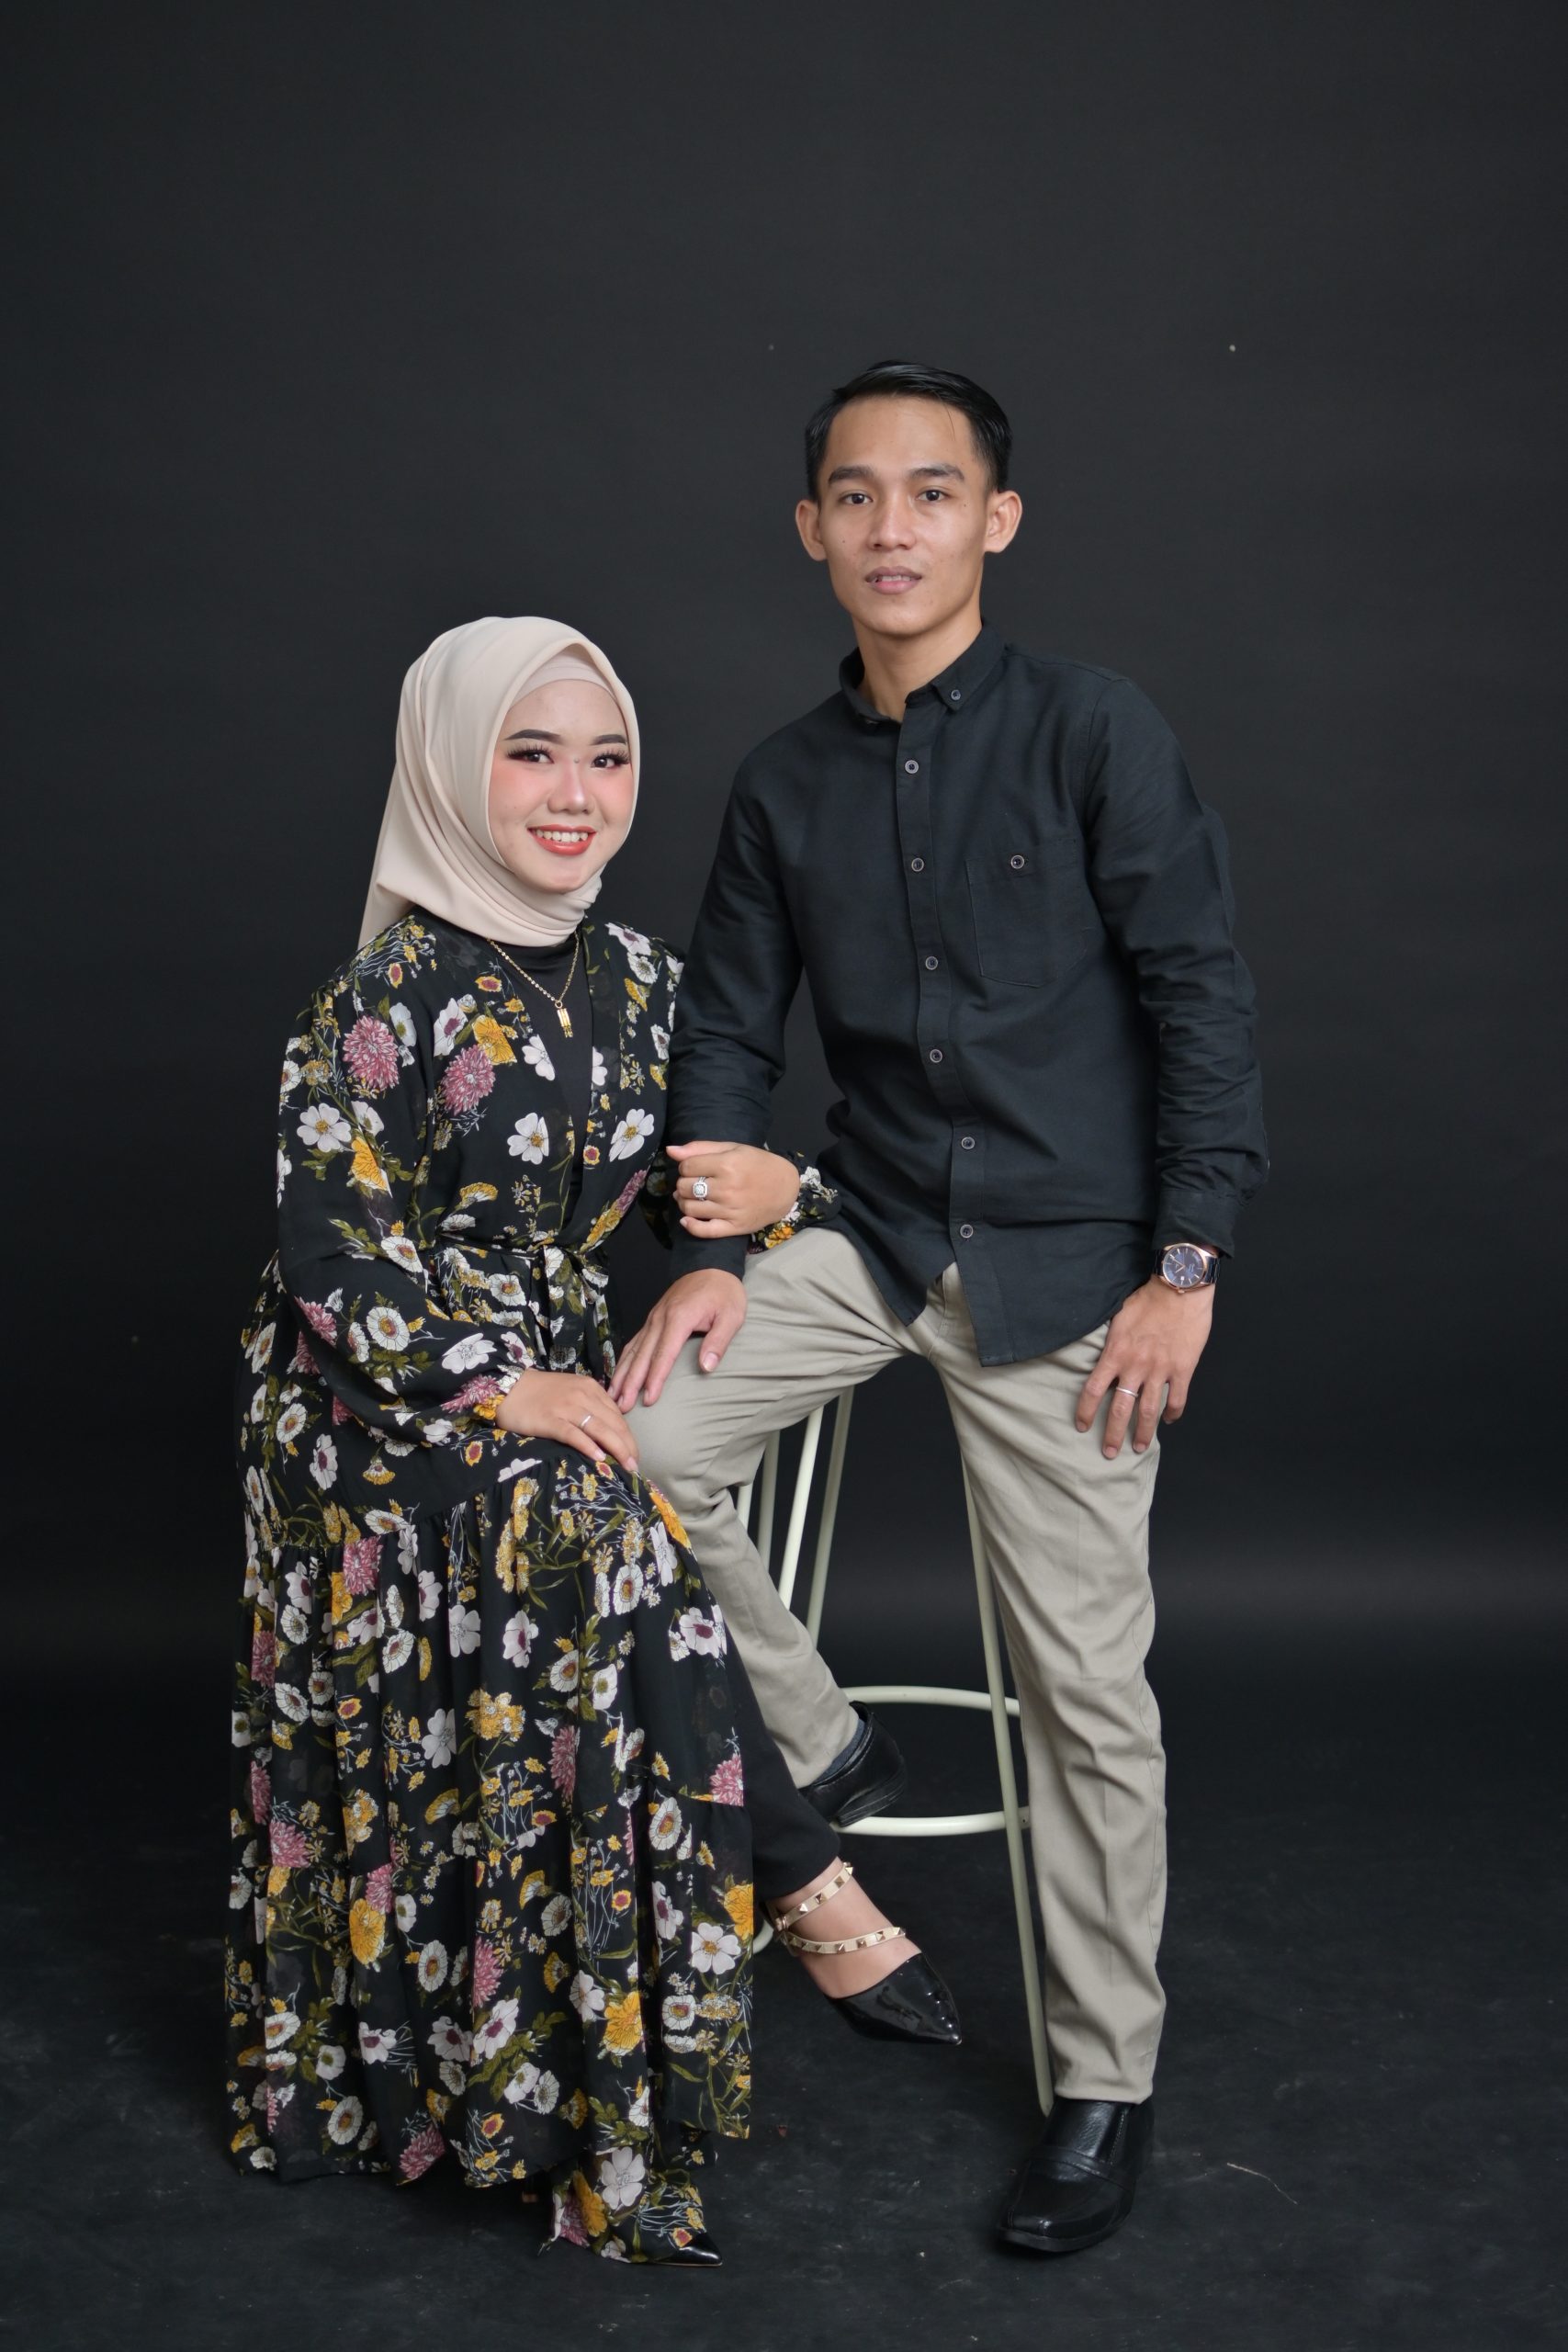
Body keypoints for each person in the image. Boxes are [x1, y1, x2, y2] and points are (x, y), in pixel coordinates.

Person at [612, 361, 1269, 2256]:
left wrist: (1185, 1267)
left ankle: (1101, 2083)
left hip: (1073, 1271)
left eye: (929, 491)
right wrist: (712, 1243)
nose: (890, 526)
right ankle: (824, 1745)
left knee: (1085, 1694)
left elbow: (1201, 995)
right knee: (633, 1447)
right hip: (875, 1231)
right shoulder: (781, 781)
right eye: (854, 494)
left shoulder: (1091, 728)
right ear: (808, 528)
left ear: (996, 519)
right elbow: (726, 1031)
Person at [224, 615, 959, 2269]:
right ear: (449, 767)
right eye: (533, 753)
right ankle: (809, 1880)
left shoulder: (639, 980)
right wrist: (500, 1385)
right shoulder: (377, 998)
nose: (577, 795)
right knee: (599, 1512)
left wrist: (720, 1254)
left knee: (599, 1501)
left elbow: (710, 1178)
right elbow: (334, 1262)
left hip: (539, 1386)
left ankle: (760, 1899)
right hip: (368, 1400)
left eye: (608, 757)